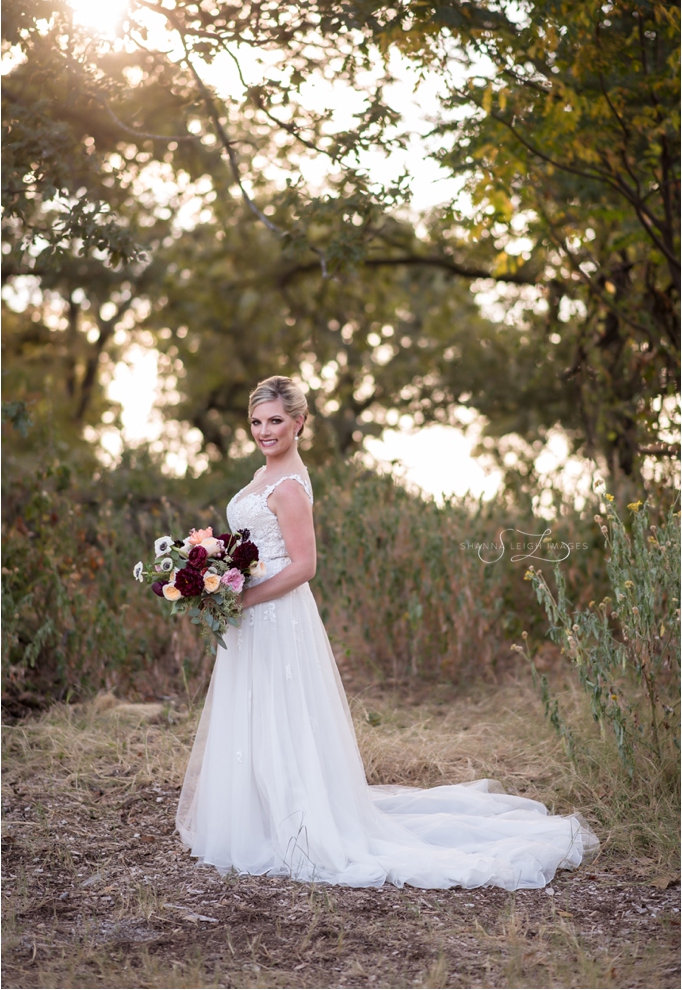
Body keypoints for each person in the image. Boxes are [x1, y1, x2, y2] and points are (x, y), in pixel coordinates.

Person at [176, 375, 598, 889]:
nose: (265, 431)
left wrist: (242, 596)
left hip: (275, 614)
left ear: (299, 422)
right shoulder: (265, 475)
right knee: (258, 710)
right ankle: (257, 813)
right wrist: (219, 572)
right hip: (252, 614)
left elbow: (305, 565)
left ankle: (293, 821)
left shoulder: (288, 487)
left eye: (276, 421)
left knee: (279, 709)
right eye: (257, 422)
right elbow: (258, 547)